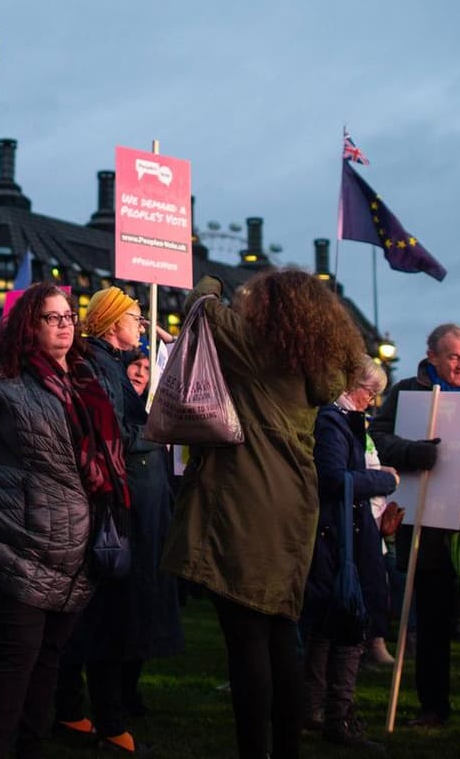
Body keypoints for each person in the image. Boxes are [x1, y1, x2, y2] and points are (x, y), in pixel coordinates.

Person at [163, 269, 365, 759]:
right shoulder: (321, 363)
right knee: (280, 631)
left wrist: (210, 280)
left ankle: (254, 750)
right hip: (295, 502)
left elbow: (201, 307)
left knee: (246, 636)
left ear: (271, 310)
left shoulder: (255, 348)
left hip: (245, 496)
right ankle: (288, 750)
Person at [0, 283, 129, 759]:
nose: (65, 326)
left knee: (49, 658)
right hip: (17, 539)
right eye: (52, 318)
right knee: (16, 657)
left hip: (79, 544)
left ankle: (30, 745)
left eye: (68, 317)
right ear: (30, 323)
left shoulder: (88, 378)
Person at [55, 285, 180, 755]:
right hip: (113, 511)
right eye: (135, 317)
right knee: (105, 616)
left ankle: (75, 708)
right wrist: (160, 433)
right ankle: (105, 718)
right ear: (112, 325)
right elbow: (115, 437)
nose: (142, 324)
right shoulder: (101, 368)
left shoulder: (105, 365)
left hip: (121, 505)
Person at [369, 322, 460, 728]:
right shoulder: (407, 392)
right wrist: (412, 452)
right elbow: (377, 439)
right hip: (427, 519)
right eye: (454, 356)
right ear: (433, 356)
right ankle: (434, 707)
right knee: (432, 620)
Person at [303, 354, 399, 750]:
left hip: (344, 536)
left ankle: (314, 710)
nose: (371, 401)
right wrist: (383, 480)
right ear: (351, 387)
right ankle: (336, 716)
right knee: (346, 623)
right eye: (369, 392)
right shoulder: (332, 421)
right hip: (340, 540)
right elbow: (332, 478)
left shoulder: (338, 421)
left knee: (330, 625)